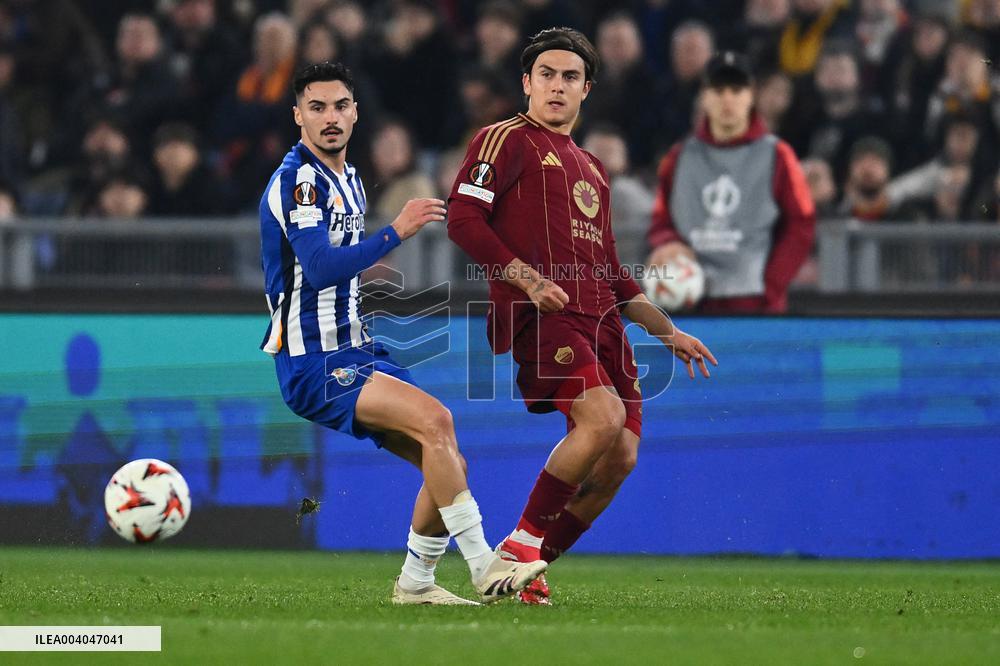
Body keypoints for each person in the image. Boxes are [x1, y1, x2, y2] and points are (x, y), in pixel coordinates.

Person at [259, 62, 546, 606]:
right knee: (437, 420)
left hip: (356, 346)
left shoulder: (350, 179)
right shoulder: (299, 180)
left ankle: (416, 582)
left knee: (447, 462)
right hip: (313, 358)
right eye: (316, 108)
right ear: (298, 116)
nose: (330, 118)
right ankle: (484, 565)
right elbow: (318, 268)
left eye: (340, 106)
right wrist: (397, 230)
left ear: (355, 112)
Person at [447, 28, 717, 605]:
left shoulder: (593, 168)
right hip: (543, 313)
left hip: (604, 323)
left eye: (570, 77)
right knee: (601, 417)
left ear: (586, 89)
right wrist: (526, 279)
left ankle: (531, 567)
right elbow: (463, 220)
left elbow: (613, 269)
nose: (557, 86)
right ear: (526, 82)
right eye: (546, 74)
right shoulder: (504, 139)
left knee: (621, 455)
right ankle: (518, 546)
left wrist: (666, 330)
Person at [648, 51, 816, 314]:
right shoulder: (678, 157)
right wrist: (668, 242)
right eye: (718, 89)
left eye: (736, 90)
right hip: (690, 304)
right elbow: (661, 220)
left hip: (755, 304)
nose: (727, 98)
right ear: (704, 96)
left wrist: (771, 286)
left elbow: (801, 224)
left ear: (751, 96)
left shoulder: (778, 155)